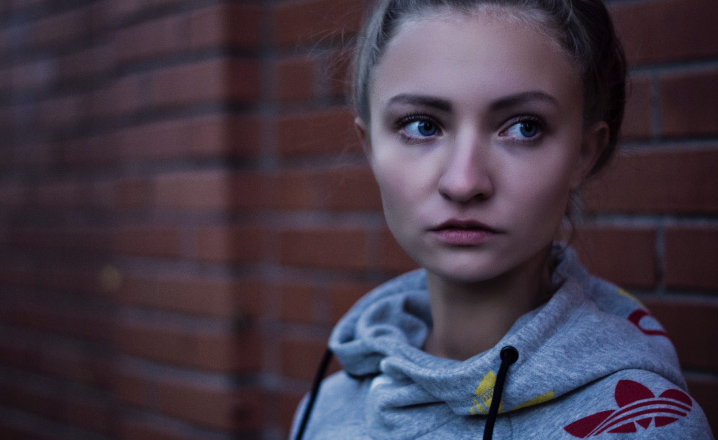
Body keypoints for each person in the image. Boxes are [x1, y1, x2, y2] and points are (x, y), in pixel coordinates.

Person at [290, 0, 714, 438]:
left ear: (584, 153)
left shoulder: (646, 425)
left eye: (523, 127)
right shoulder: (324, 410)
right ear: (370, 146)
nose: (464, 182)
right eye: (421, 126)